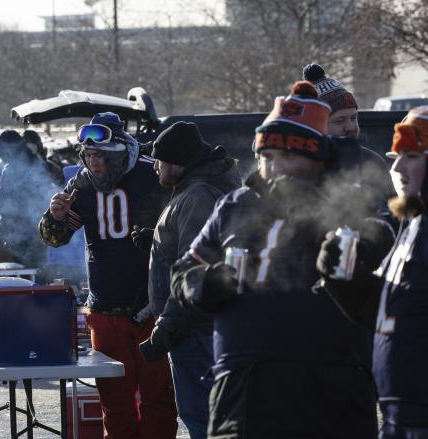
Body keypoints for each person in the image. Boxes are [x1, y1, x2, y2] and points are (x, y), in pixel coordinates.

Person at [171, 82, 380, 438]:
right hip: (244, 388)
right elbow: (182, 273)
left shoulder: (353, 202)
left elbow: (389, 288)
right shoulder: (235, 204)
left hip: (333, 387)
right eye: (267, 156)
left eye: (288, 155)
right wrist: (209, 282)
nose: (274, 166)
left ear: (317, 158)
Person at [39, 112, 177, 439]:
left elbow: (185, 223)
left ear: (116, 152)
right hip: (104, 309)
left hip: (152, 306)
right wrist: (55, 217)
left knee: (159, 399)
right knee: (114, 402)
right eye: (86, 155)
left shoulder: (151, 172)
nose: (92, 162)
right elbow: (54, 238)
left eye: (98, 155)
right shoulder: (82, 183)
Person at [317, 106, 428, 438]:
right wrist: (346, 282)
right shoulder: (413, 226)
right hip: (401, 415)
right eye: (396, 155)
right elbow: (397, 313)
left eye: (411, 155)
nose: (396, 166)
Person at [136, 121, 240, 439]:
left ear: (177, 163)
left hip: (194, 331)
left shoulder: (197, 196)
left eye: (159, 160)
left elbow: (195, 270)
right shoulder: (192, 192)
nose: (154, 167)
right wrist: (157, 240)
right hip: (193, 330)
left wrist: (165, 329)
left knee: (203, 420)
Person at [303, 63, 393, 198]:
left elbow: (395, 214)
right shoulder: (301, 167)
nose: (351, 127)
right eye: (340, 120)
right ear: (315, 126)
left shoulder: (372, 162)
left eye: (353, 117)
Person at [0, 130, 54, 268]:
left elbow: (5, 205)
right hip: (39, 230)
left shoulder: (10, 169)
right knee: (37, 273)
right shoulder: (39, 163)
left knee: (20, 277)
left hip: (20, 233)